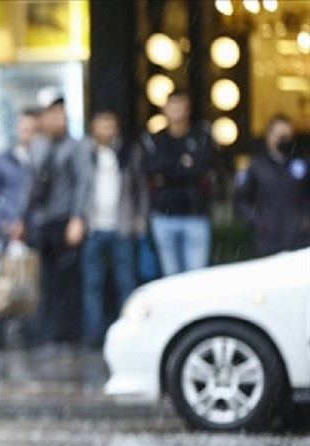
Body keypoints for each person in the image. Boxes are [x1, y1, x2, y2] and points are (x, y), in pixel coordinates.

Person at [25, 97, 91, 348]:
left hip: (66, 220)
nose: (57, 120)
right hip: (43, 222)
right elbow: (32, 181)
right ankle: (47, 333)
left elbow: (83, 184)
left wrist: (78, 218)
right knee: (46, 280)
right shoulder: (38, 144)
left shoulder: (77, 146)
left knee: (68, 281)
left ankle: (68, 334)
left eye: (61, 115)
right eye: (52, 115)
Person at [81, 110, 147, 348]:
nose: (107, 129)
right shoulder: (85, 152)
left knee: (125, 282)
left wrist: (140, 218)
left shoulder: (128, 153)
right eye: (102, 124)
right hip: (92, 226)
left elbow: (140, 188)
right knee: (92, 282)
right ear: (93, 126)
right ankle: (94, 334)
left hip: (122, 225)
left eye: (111, 124)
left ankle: (128, 333)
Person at [142, 91, 215, 275]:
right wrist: (182, 163)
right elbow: (149, 169)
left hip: (194, 214)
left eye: (181, 106)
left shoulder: (200, 136)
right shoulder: (155, 139)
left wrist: (168, 170)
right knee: (170, 277)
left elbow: (203, 167)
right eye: (173, 106)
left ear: (188, 109)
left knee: (196, 278)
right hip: (164, 215)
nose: (177, 111)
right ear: (164, 109)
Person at [0, 108, 39, 348]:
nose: (28, 134)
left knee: (30, 281)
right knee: (7, 281)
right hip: (9, 232)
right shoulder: (4, 159)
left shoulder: (41, 158)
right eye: (24, 128)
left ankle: (29, 333)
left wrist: (29, 222)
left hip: (34, 231)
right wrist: (5, 222)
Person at [233, 114, 310, 258]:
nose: (284, 140)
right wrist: (257, 221)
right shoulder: (256, 166)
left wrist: (305, 219)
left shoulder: (303, 163)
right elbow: (241, 199)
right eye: (280, 136)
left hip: (301, 239)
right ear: (269, 136)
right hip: (267, 241)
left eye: (288, 136)